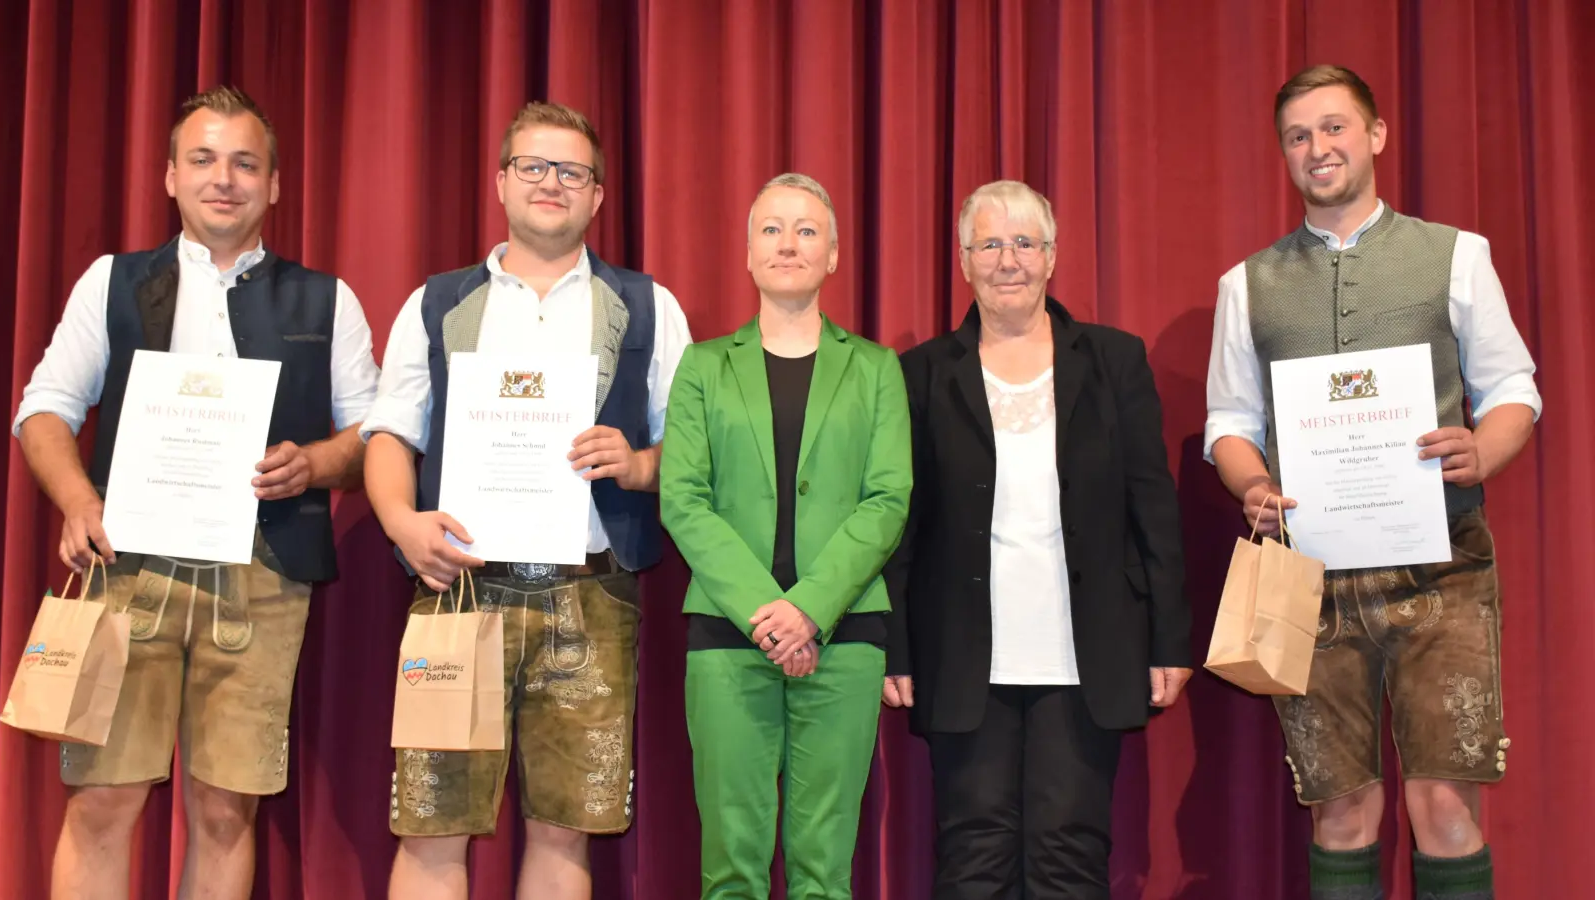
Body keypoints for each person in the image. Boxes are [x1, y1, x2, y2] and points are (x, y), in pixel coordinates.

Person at [11, 85, 380, 898]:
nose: (225, 178)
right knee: (103, 800)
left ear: (275, 184)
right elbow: (43, 409)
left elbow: (374, 437)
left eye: (246, 163)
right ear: (170, 177)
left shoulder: (330, 300)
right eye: (204, 159)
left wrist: (314, 465)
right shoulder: (111, 283)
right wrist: (78, 500)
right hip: (126, 566)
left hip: (263, 571)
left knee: (224, 813)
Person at [1203, 65, 1541, 900]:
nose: (1318, 148)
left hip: (1445, 568)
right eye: (1298, 136)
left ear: (1376, 135)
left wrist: (1481, 450)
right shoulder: (1244, 285)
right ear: (1283, 154)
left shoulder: (1457, 255)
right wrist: (1252, 485)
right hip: (1309, 580)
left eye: (1334, 127)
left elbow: (1514, 391)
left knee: (1445, 806)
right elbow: (1228, 425)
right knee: (1340, 812)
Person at [362, 101, 693, 900]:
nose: (552, 184)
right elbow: (388, 436)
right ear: (503, 181)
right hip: (458, 590)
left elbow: (691, 450)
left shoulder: (648, 306)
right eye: (535, 167)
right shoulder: (437, 302)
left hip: (592, 592)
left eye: (571, 171)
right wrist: (404, 525)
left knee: (563, 829)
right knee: (433, 821)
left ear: (598, 195)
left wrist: (639, 463)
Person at [883, 180, 1191, 899]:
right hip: (962, 655)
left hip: (1085, 652)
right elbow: (901, 524)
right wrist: (893, 645)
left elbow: (1154, 507)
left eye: (1025, 242)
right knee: (972, 857)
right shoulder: (921, 374)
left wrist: (1170, 640)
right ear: (964, 261)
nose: (1008, 259)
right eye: (989, 244)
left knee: (1070, 856)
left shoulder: (1115, 361)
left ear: (1052, 257)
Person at [659, 173, 912, 898]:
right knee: (731, 867)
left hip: (845, 635)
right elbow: (683, 499)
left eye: (807, 230)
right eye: (772, 228)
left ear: (833, 256)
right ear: (747, 253)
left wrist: (809, 609)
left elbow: (887, 499)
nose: (789, 243)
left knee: (824, 872)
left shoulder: (875, 369)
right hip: (726, 637)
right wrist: (766, 613)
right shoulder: (704, 368)